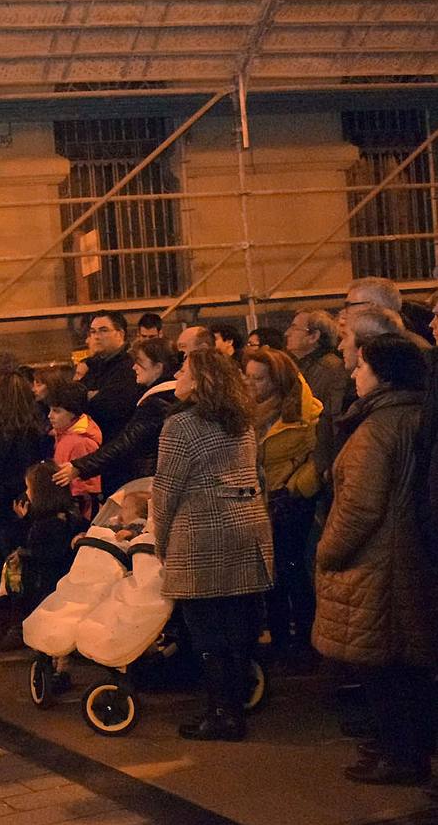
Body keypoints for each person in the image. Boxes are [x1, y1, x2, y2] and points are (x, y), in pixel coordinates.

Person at [313, 333, 434, 785]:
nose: (353, 373)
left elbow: (359, 507)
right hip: (405, 555)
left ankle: (400, 756)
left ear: (383, 375)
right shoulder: (412, 414)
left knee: (385, 668)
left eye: (361, 366)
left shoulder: (379, 428)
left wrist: (327, 552)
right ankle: (400, 748)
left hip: (379, 561)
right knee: (405, 665)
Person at [153, 350, 274, 742]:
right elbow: (258, 475)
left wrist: (161, 540)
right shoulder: (243, 422)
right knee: (237, 625)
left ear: (200, 379)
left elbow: (166, 490)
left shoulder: (181, 426)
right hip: (246, 528)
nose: (177, 374)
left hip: (201, 535)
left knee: (205, 629)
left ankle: (221, 715)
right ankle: (236, 706)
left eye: (183, 369)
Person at [244, 348, 323, 671]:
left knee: (291, 572)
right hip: (259, 502)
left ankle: (303, 645)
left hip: (291, 503)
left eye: (259, 379)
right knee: (269, 575)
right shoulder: (247, 412)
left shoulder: (306, 412)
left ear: (278, 381)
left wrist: (294, 489)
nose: (251, 385)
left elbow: (318, 458)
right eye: (247, 377)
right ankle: (277, 643)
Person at [0, 358, 50, 647]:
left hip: (9, 510)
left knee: (13, 568)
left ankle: (18, 625)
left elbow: (24, 469)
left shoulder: (22, 427)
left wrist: (1, 492)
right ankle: (2, 621)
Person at [54, 337, 178, 497]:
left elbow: (126, 442)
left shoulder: (157, 402)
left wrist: (80, 467)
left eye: (140, 362)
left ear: (158, 367)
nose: (134, 367)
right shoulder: (166, 396)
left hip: (150, 481)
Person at [13, 462, 90, 621]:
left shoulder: (53, 521)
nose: (27, 493)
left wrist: (23, 554)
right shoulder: (62, 514)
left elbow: (51, 553)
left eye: (29, 488)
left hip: (49, 587)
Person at [286, 308, 347, 477]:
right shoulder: (302, 365)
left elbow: (331, 420)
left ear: (314, 336)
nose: (287, 333)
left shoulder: (331, 369)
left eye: (294, 328)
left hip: (317, 464)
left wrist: (323, 466)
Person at [78, 311, 139, 444]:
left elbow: (107, 407)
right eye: (93, 332)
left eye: (103, 330)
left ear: (120, 334)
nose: (96, 336)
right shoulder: (94, 365)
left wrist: (90, 397)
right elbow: (73, 398)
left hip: (116, 444)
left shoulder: (129, 366)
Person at [46, 382, 102, 513]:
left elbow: (85, 490)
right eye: (50, 410)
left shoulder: (81, 442)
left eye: (57, 411)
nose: (50, 416)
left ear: (73, 413)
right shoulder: (64, 435)